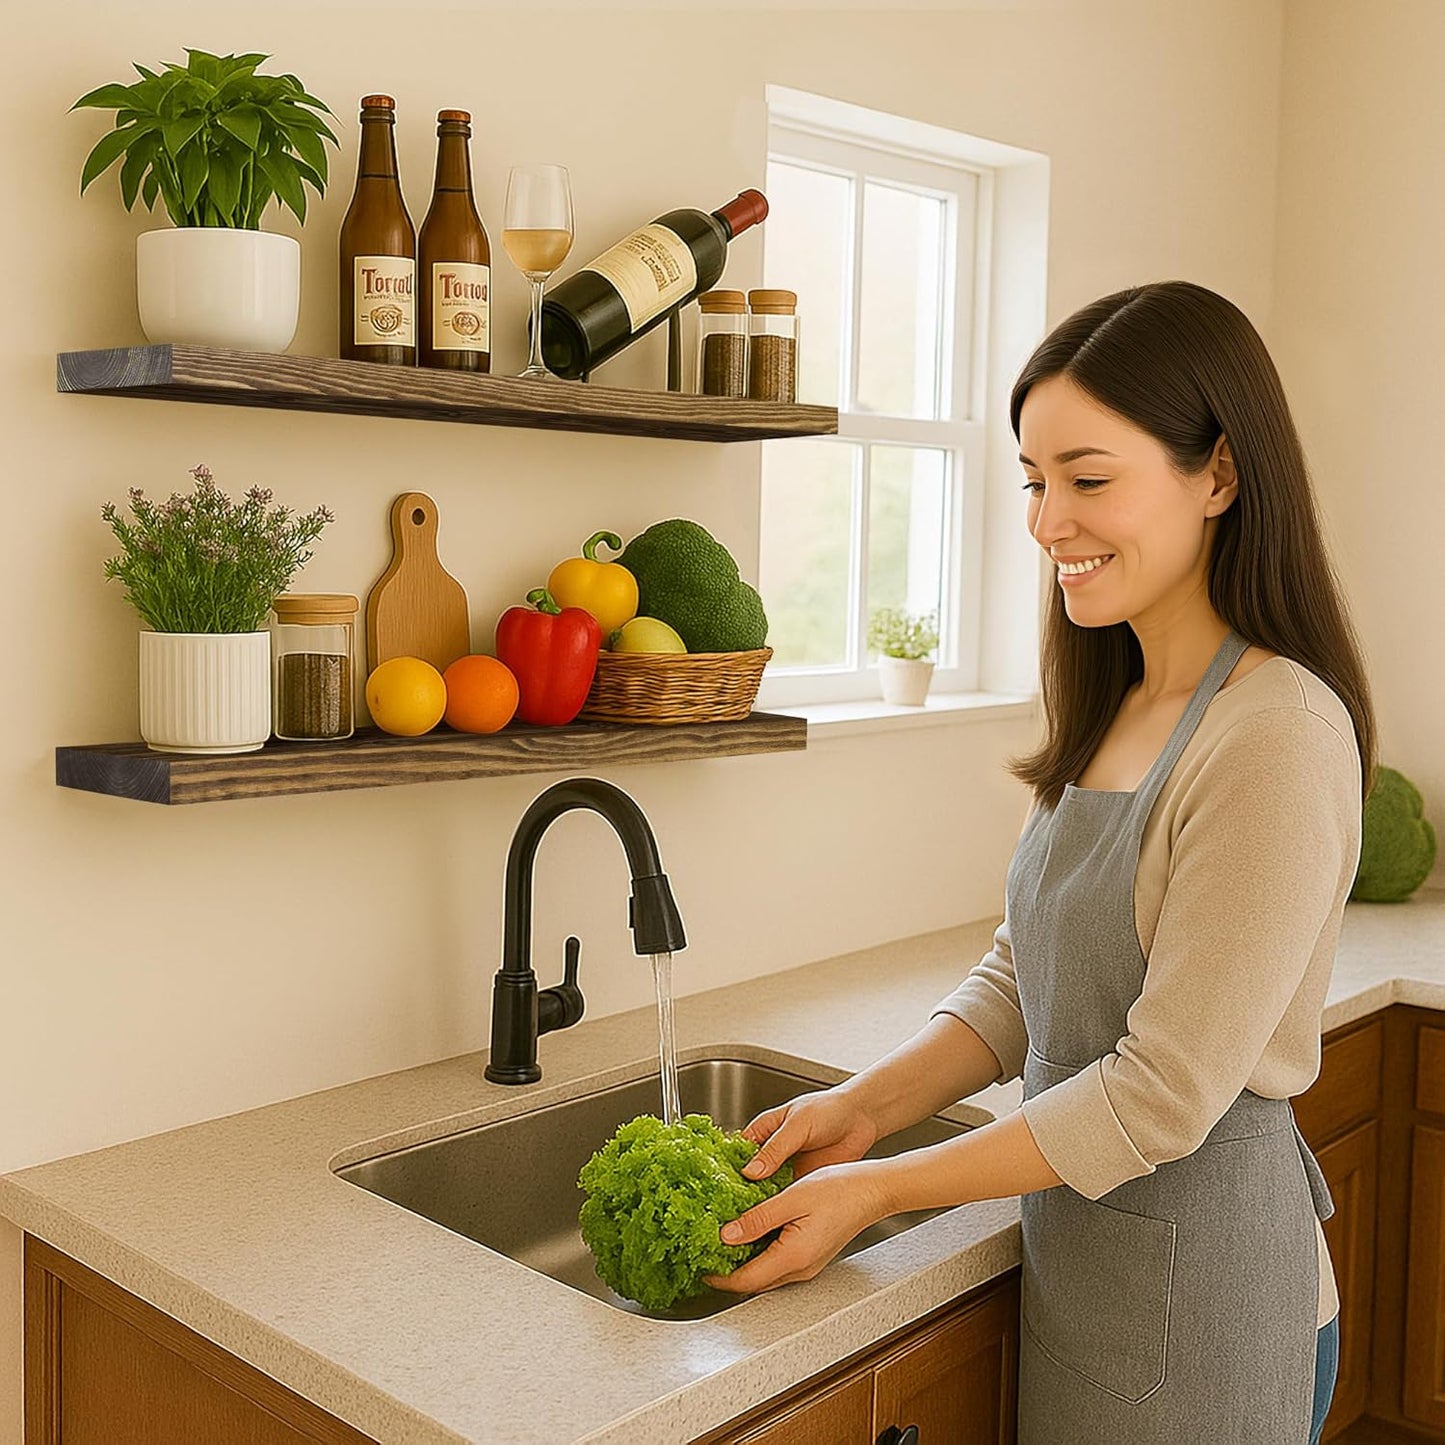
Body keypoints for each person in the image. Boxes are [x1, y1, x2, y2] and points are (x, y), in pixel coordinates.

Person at [705, 281, 1374, 1445]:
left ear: (1216, 474)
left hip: (1214, 1306)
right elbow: (1026, 979)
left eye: (1087, 477)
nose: (1042, 518)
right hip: (1090, 1284)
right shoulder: (1115, 702)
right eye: (1032, 478)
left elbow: (1159, 1093)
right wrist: (862, 1111)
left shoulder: (1275, 732)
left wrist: (875, 1189)